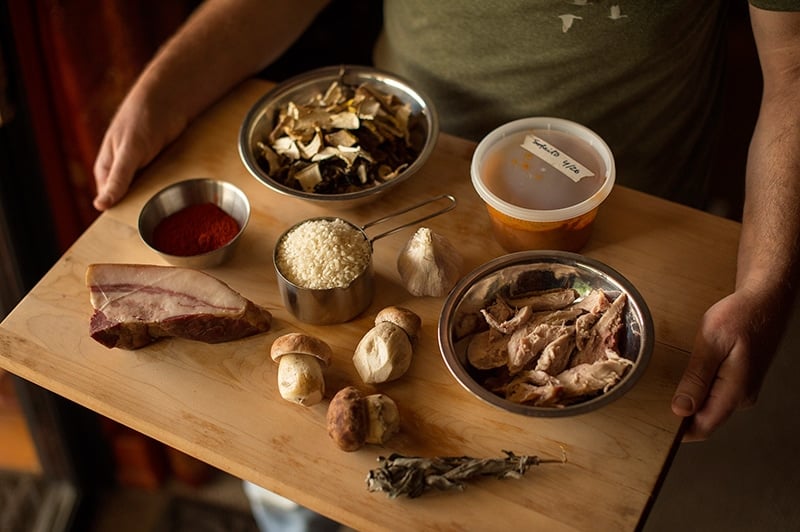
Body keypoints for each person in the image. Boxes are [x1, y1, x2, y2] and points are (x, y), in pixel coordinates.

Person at [93, 0, 800, 445]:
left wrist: (769, 282)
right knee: (288, 464)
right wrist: (167, 86)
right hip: (406, 170)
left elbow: (792, 66)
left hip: (628, 222)